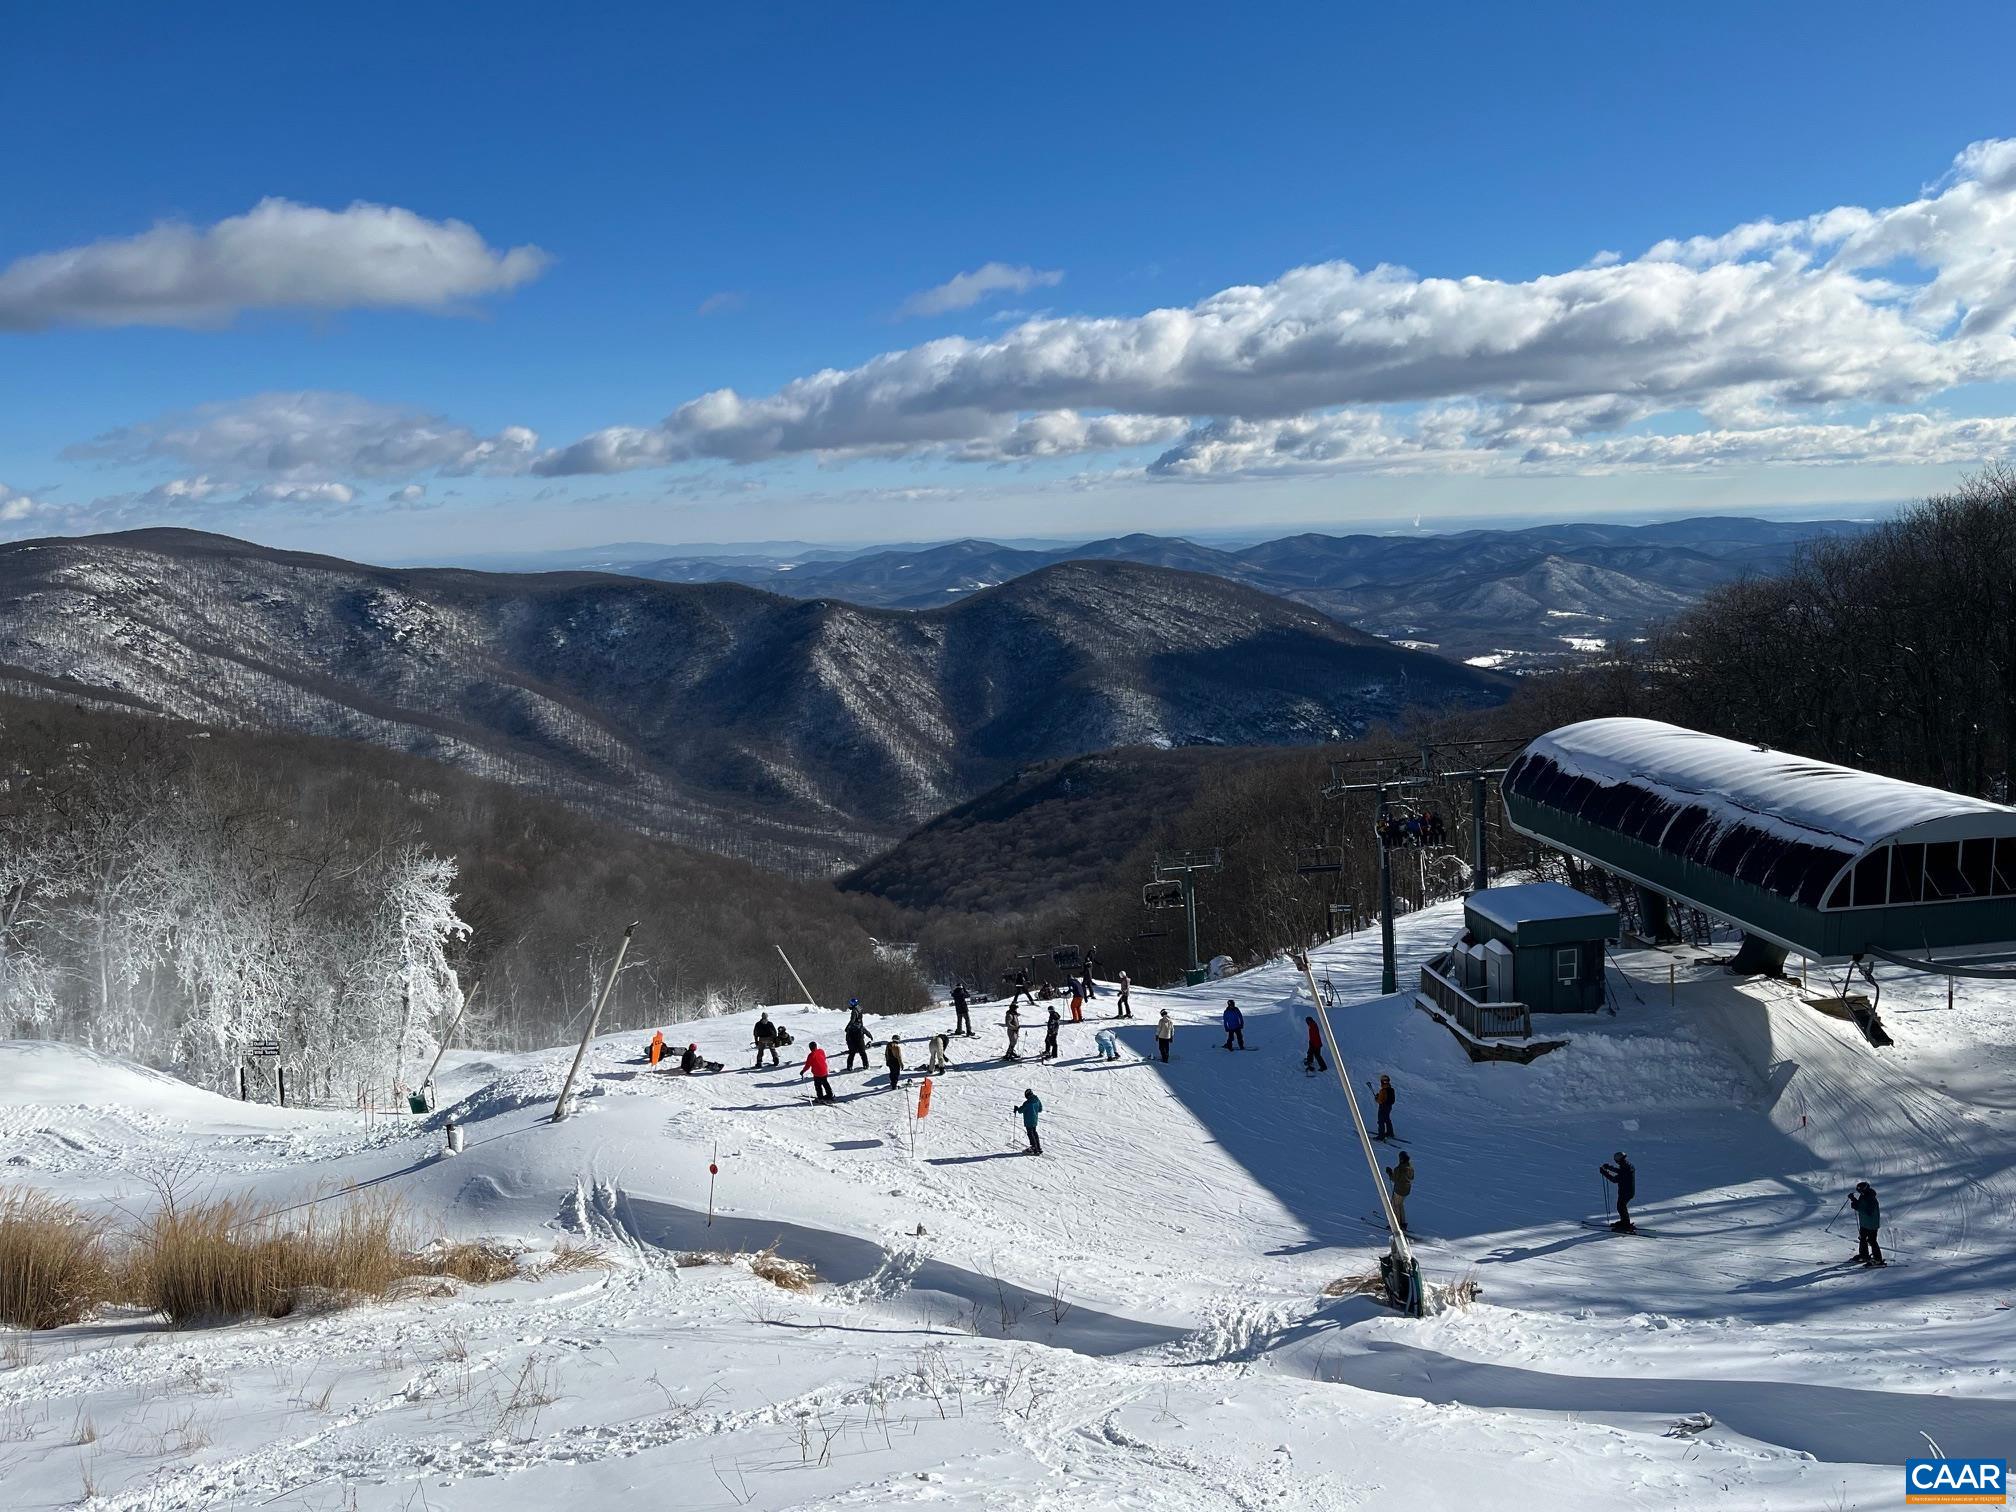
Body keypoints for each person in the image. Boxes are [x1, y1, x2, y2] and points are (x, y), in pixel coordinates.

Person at [1849, 1181, 1885, 1266]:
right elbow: (1861, 1205)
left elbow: (1869, 1212)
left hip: (1872, 1224)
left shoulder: (1871, 1198)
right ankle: (1864, 1255)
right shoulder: (1864, 1196)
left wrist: (1857, 1207)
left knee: (1872, 1241)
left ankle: (1878, 1260)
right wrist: (1853, 1200)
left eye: (1860, 1191)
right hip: (1864, 1223)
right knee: (1862, 1238)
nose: (1860, 1193)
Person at [1600, 1151, 1636, 1232]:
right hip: (1628, 1191)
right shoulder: (1627, 1166)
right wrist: (1609, 1167)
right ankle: (1624, 1222)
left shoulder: (1625, 1169)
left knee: (1621, 1206)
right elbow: (1619, 1171)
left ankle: (1626, 1224)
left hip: (1625, 1192)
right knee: (1621, 1206)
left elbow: (1615, 1179)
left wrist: (1604, 1173)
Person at [1385, 1150, 1413, 1234]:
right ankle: (1403, 1223)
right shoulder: (1410, 1168)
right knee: (1400, 1204)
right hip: (1406, 1190)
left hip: (1399, 1190)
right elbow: (1411, 1177)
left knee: (1395, 1205)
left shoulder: (1399, 1169)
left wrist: (1390, 1173)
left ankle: (1396, 1224)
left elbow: (1394, 1179)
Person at [1015, 1089, 1043, 1155]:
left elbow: (1020, 1111)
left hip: (1028, 1120)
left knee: (1030, 1133)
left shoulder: (1027, 1103)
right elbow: (1040, 1109)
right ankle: (1038, 1147)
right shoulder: (1037, 1100)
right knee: (1034, 1132)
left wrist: (1017, 1109)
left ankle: (1034, 1147)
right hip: (1034, 1120)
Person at [843, 1003, 870, 1072]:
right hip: (859, 1039)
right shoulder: (860, 1023)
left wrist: (848, 1040)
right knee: (862, 1052)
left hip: (853, 1040)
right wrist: (868, 1034)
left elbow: (848, 1036)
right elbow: (863, 1029)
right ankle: (866, 1065)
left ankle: (849, 1066)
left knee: (852, 1053)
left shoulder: (851, 1026)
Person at [1373, 1074, 1396, 1139]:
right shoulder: (1391, 1089)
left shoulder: (1383, 1090)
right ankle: (1390, 1133)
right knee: (1387, 1119)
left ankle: (1381, 1135)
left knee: (1381, 1120)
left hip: (1383, 1107)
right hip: (1389, 1107)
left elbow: (1380, 1101)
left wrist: (1377, 1098)